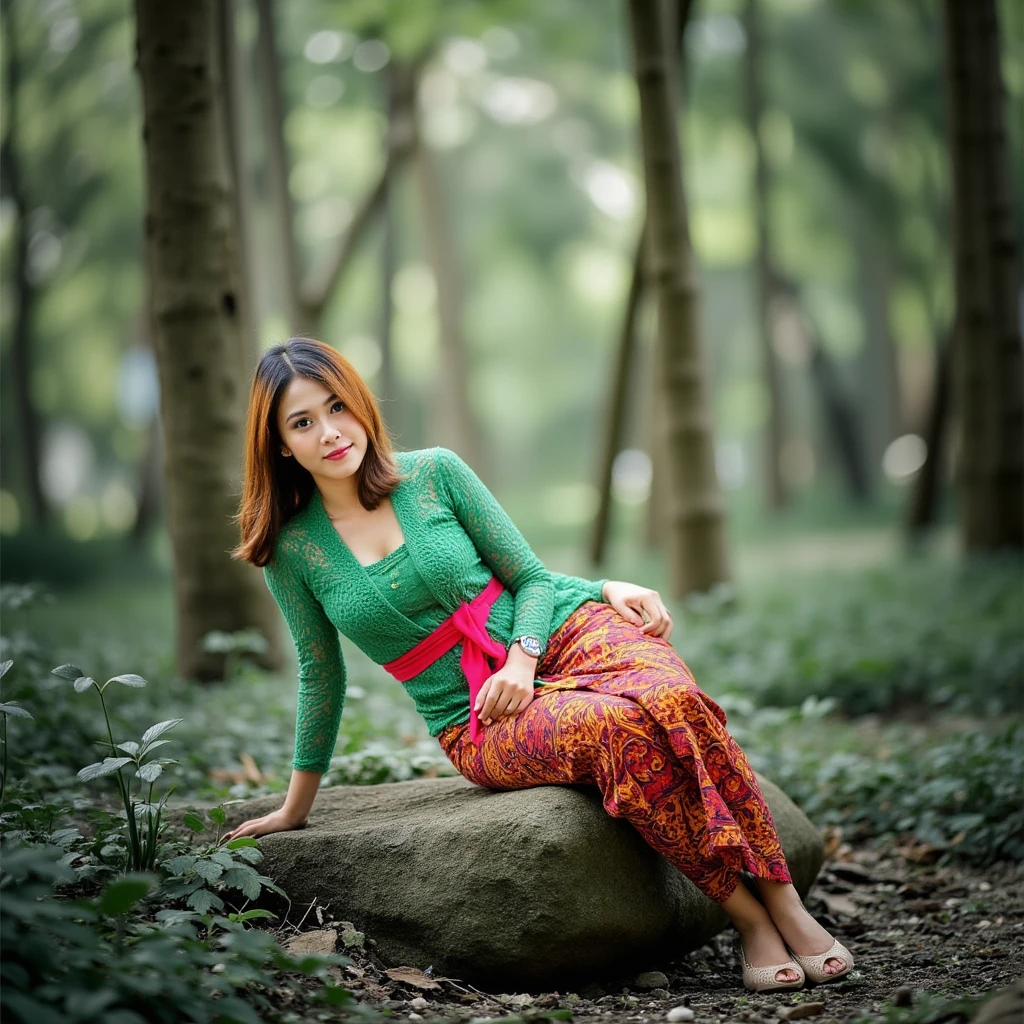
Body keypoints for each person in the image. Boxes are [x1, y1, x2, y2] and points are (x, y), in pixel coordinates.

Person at [225, 337, 853, 992]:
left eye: (337, 407)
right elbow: (319, 673)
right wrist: (296, 809)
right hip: (477, 720)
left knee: (674, 699)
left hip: (558, 633)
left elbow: (527, 578)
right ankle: (748, 918)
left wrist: (554, 633)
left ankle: (783, 898)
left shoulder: (434, 473)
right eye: (303, 422)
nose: (329, 432)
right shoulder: (295, 551)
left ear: (359, 405)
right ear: (278, 444)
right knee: (620, 731)